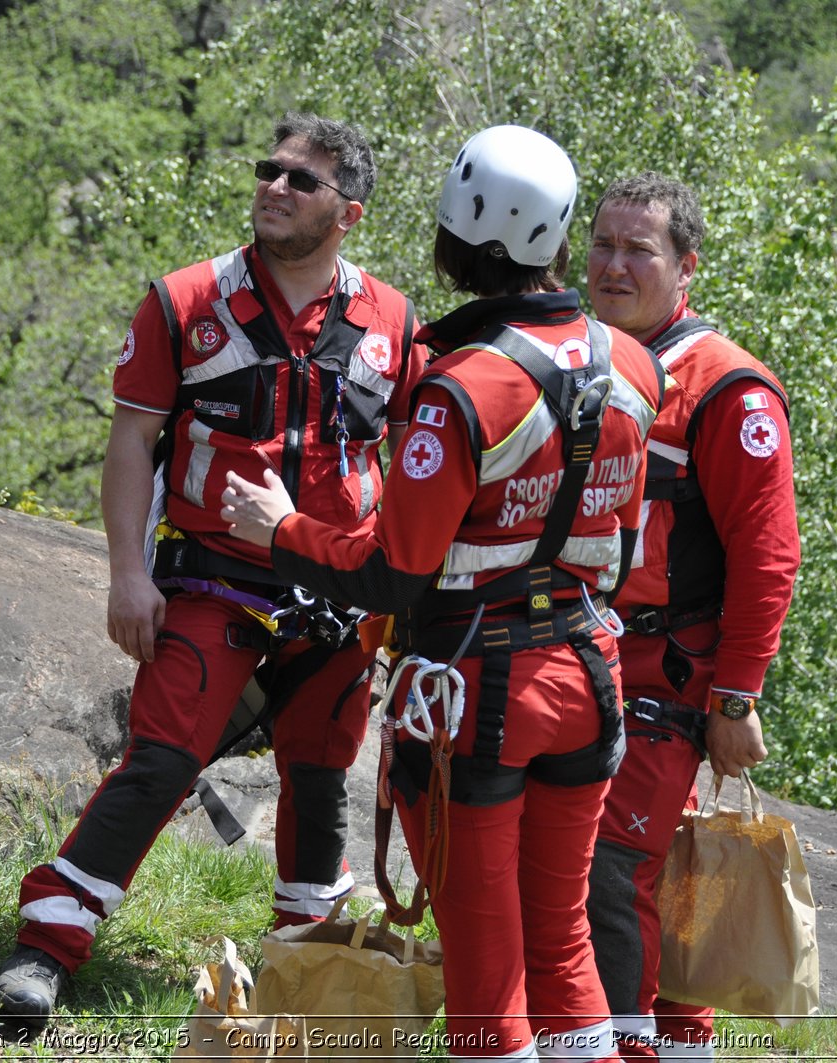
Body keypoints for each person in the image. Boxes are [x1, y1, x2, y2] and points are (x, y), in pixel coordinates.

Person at [222, 125, 664, 1063]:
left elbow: (394, 571)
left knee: (483, 959)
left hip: (479, 693)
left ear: (464, 230)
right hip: (589, 673)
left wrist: (280, 530)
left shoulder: (463, 389)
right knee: (561, 933)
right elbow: (620, 545)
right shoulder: (633, 366)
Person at [0, 112, 428, 1018]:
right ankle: (48, 943)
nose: (274, 186)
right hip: (211, 577)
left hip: (339, 593)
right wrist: (126, 575)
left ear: (348, 212)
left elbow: (421, 459)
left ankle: (305, 967)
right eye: (269, 169)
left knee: (319, 773)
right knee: (162, 755)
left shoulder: (392, 320)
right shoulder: (183, 301)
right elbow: (130, 443)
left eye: (300, 180)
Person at [583, 173, 800, 1060]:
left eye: (640, 250)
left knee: (612, 874)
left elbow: (768, 556)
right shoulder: (577, 354)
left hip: (666, 676)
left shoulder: (728, 389)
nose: (615, 264)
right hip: (574, 654)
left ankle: (622, 1047)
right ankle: (678, 1043)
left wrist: (737, 698)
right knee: (631, 879)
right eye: (603, 244)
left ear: (686, 269)